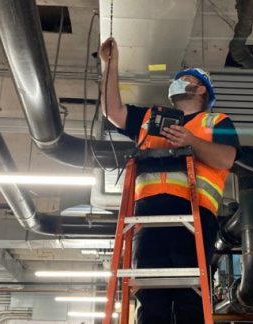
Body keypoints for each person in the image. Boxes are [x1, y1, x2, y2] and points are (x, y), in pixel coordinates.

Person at [100, 37, 239, 324]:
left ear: (201, 89)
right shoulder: (151, 118)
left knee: (190, 297)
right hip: (148, 218)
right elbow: (112, 112)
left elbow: (225, 159)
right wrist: (109, 64)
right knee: (150, 299)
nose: (176, 83)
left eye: (184, 79)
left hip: (195, 218)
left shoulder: (216, 122)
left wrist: (192, 141)